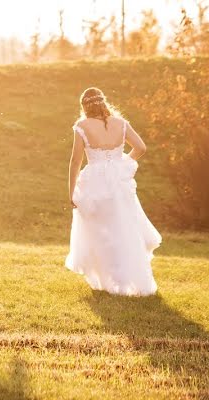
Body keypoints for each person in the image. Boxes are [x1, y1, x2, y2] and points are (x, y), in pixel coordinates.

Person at [65, 87, 161, 296]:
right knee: (125, 227)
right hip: (119, 183)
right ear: (103, 102)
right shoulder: (121, 123)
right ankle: (131, 280)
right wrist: (123, 163)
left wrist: (71, 192)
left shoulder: (81, 126)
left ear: (84, 106)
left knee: (101, 231)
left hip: (95, 183)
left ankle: (111, 281)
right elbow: (141, 147)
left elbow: (75, 161)